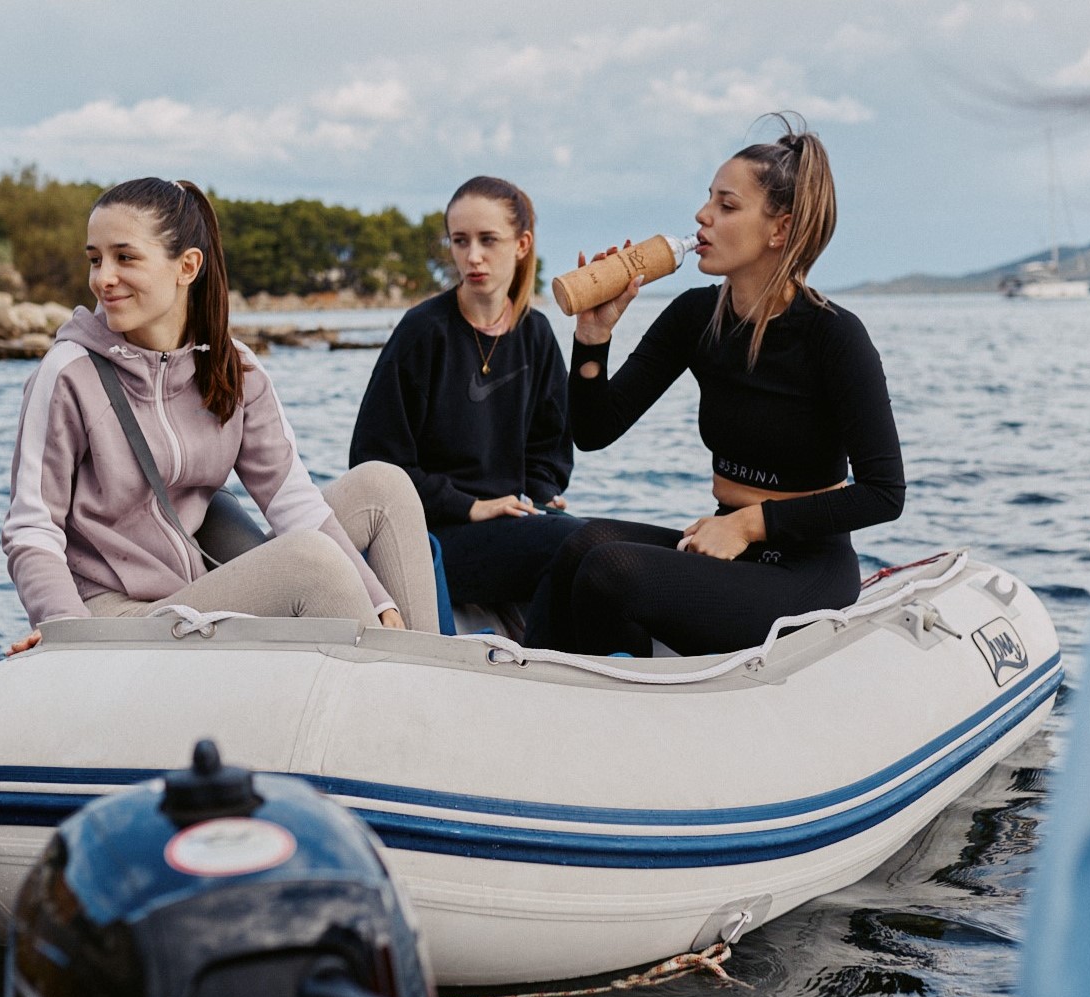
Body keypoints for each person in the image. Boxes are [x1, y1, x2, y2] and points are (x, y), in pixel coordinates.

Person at [2, 177, 438, 654]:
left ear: (187, 266)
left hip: (200, 584)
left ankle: (429, 666)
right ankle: (389, 698)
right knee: (310, 561)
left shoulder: (234, 369)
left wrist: (378, 602)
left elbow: (293, 502)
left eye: (125, 258)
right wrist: (66, 629)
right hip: (118, 614)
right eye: (94, 259)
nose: (102, 278)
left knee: (383, 486)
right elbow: (32, 527)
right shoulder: (69, 373)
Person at [533, 114, 904, 657]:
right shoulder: (694, 317)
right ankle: (531, 694)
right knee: (577, 546)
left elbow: (884, 493)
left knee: (613, 571)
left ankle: (630, 714)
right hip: (729, 549)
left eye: (727, 206)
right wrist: (593, 338)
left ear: (780, 229)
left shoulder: (834, 336)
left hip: (806, 568)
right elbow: (594, 431)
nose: (702, 216)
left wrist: (751, 526)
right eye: (709, 200)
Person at [348, 176, 582, 637]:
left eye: (487, 240)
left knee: (608, 546)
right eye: (460, 241)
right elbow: (373, 467)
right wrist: (470, 505)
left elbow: (550, 449)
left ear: (522, 244)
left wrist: (534, 497)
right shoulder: (423, 332)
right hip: (429, 537)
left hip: (511, 523)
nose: (472, 256)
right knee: (576, 544)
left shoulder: (536, 335)